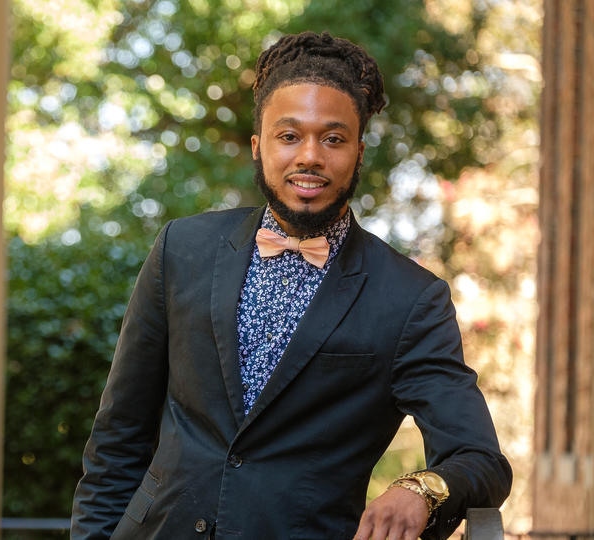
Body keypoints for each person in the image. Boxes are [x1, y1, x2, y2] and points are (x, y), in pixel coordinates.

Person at [70, 31, 511, 540]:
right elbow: (118, 439)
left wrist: (420, 488)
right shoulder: (181, 249)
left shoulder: (411, 299)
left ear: (359, 152)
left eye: (333, 138)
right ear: (258, 146)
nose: (309, 157)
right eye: (289, 136)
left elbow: (480, 458)